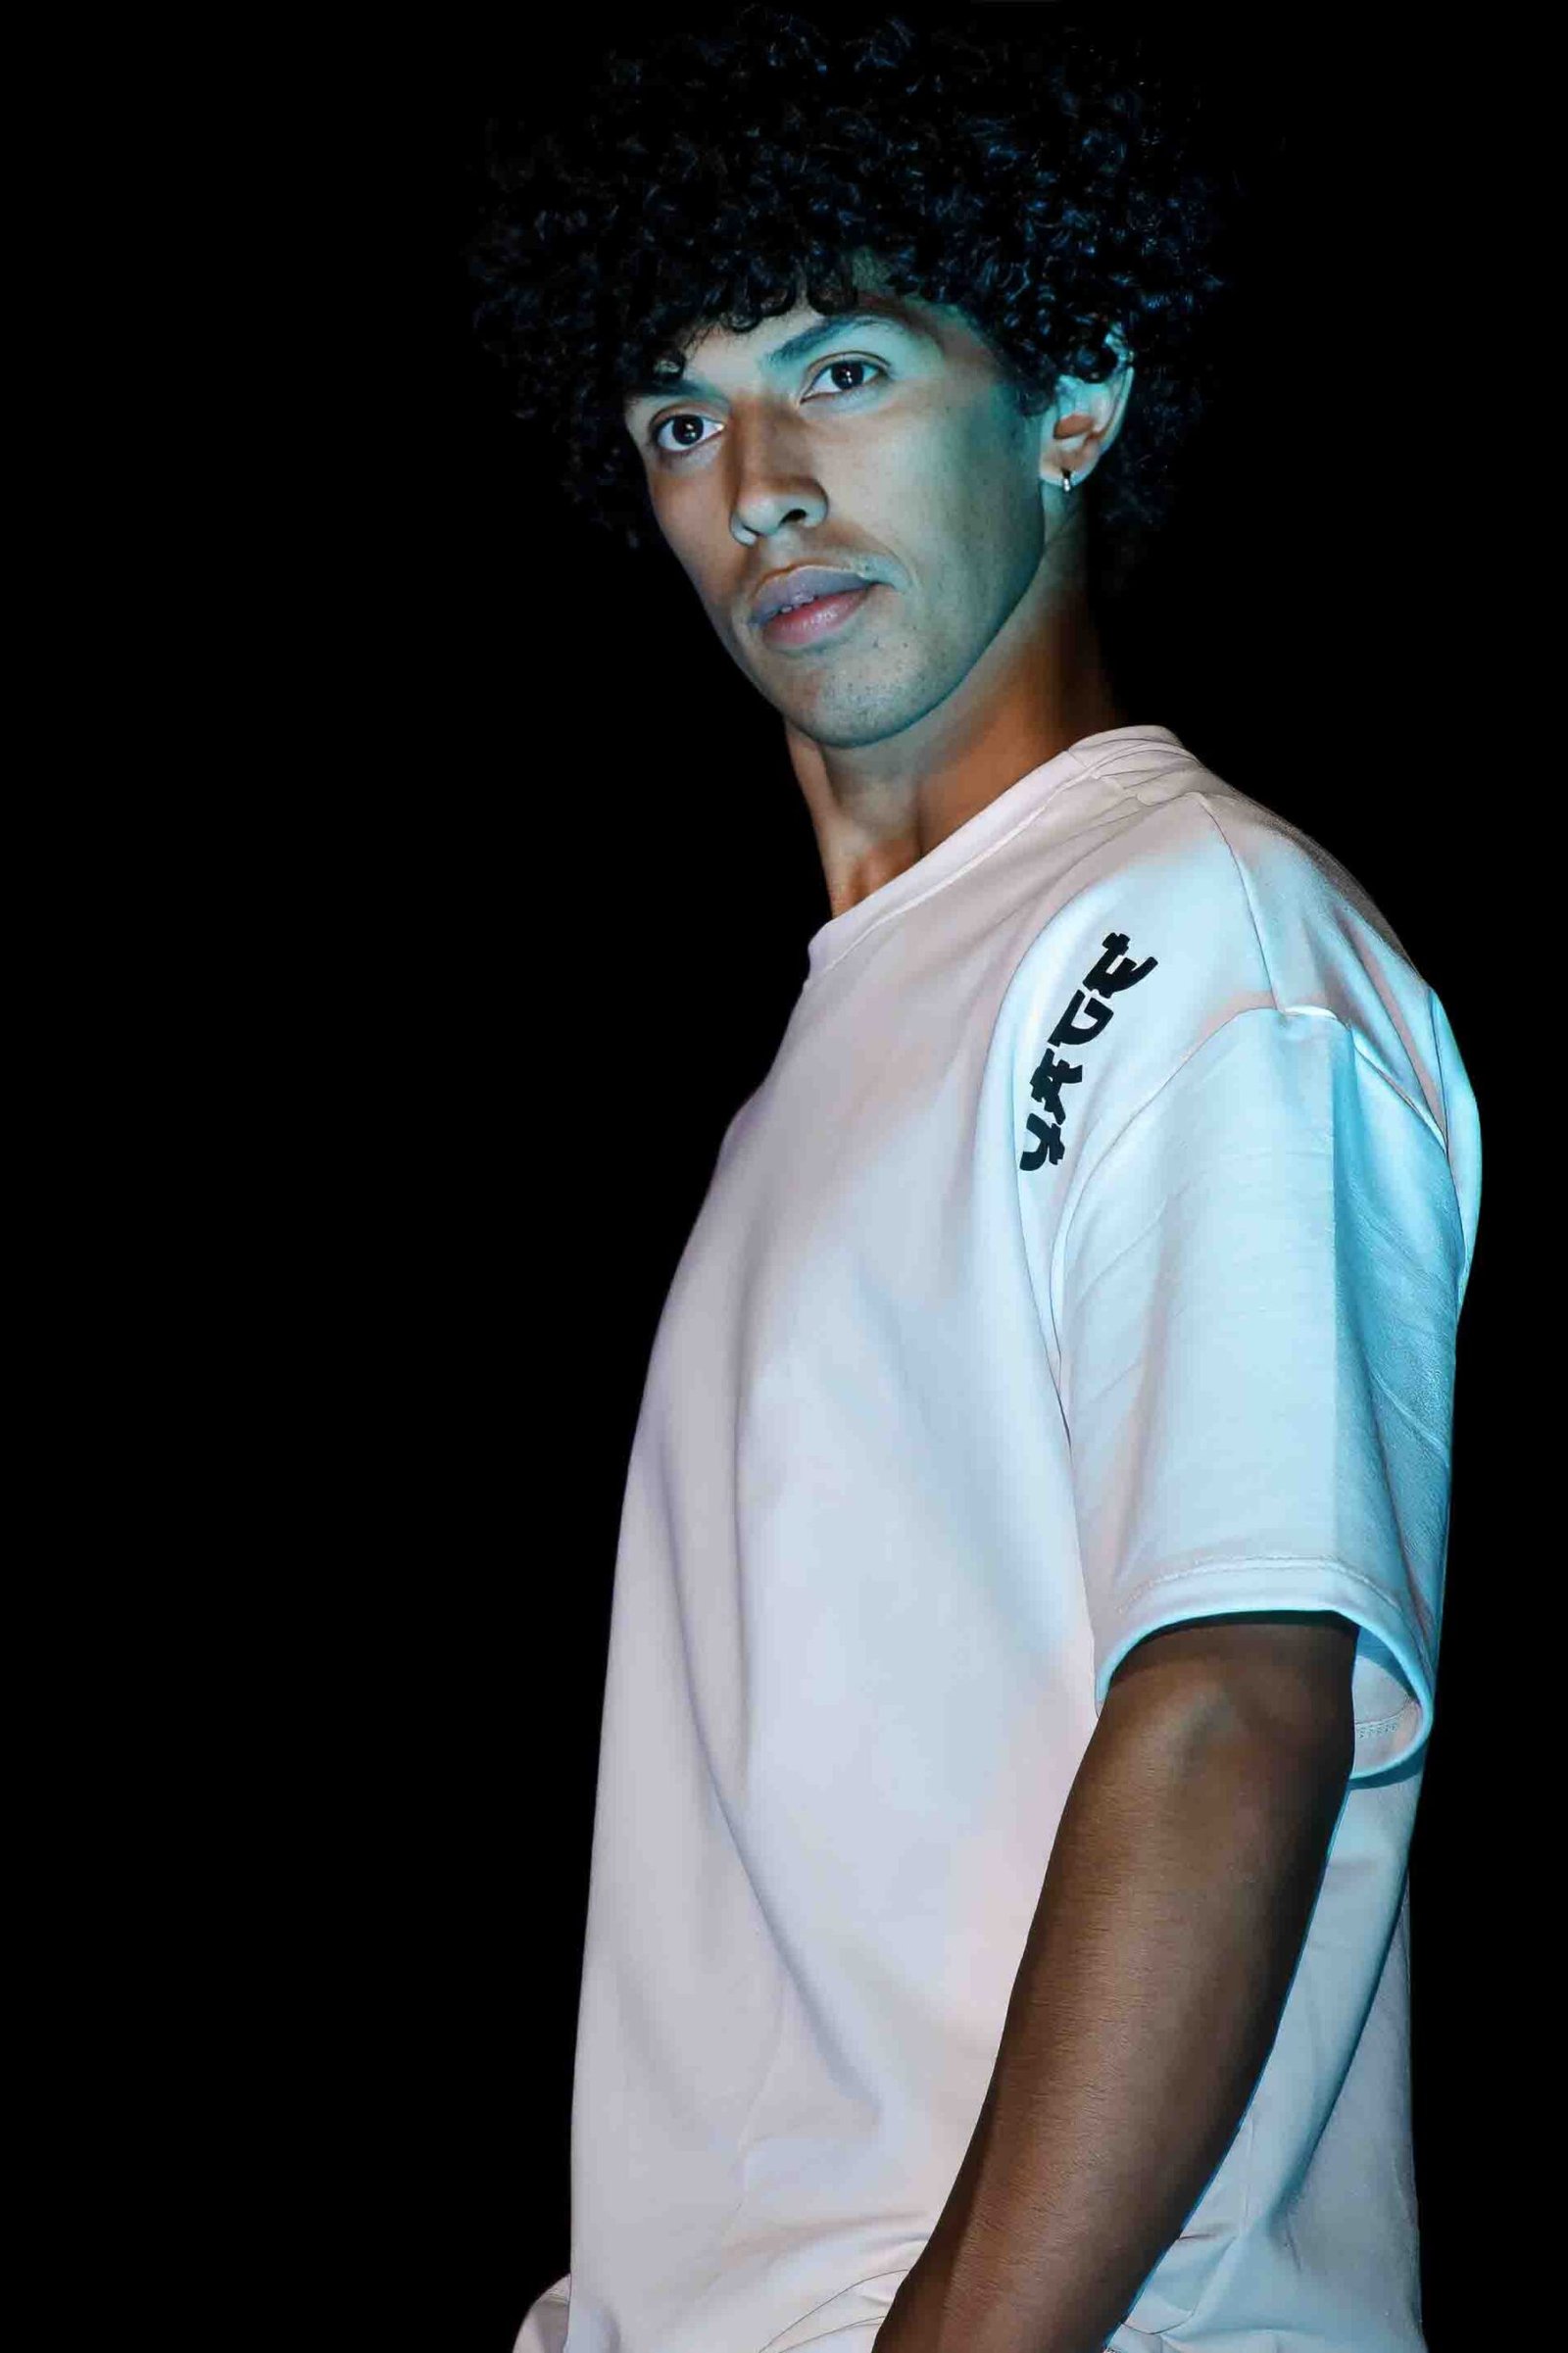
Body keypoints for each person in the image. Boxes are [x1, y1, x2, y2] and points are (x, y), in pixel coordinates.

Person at [468, 11, 1481, 2348]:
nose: (758, 486)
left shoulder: (1187, 927)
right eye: (679, 418)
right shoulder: (827, 1059)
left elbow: (1233, 1695)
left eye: (839, 371)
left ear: (1070, 393)